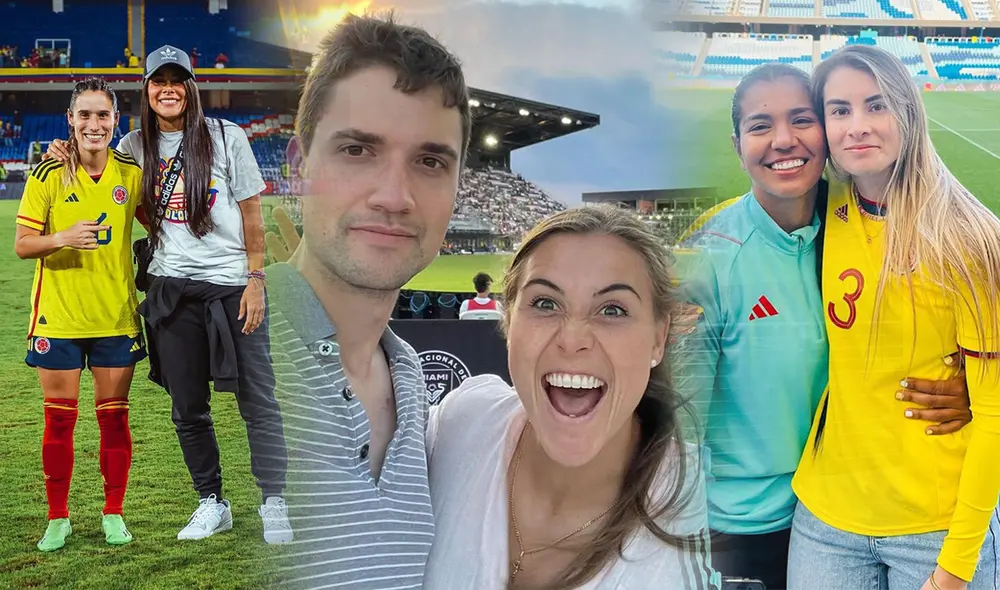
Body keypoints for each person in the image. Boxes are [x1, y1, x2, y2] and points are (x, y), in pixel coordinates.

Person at [679, 63, 974, 589]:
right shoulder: (711, 256)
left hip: (828, 513)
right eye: (760, 126)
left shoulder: (855, 217)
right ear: (736, 143)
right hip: (738, 530)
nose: (784, 140)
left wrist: (975, 382)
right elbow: (677, 421)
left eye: (802, 119)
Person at [45, 45, 291, 544]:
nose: (168, 89)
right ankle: (211, 502)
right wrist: (65, 149)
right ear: (148, 89)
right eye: (160, 81)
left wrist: (257, 279)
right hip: (171, 291)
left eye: (178, 80)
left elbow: (251, 215)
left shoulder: (226, 137)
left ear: (191, 87)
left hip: (231, 288)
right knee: (187, 406)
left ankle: (273, 502)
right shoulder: (134, 145)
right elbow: (102, 174)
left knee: (258, 402)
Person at [262, 13, 471, 589]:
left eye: (430, 161)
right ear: (299, 168)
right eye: (358, 150)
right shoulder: (232, 356)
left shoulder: (409, 382)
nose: (394, 196)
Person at [788, 45, 1000, 590]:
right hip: (825, 520)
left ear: (908, 111)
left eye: (876, 105)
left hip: (934, 531)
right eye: (839, 110)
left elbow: (995, 416)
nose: (857, 126)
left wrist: (955, 568)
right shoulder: (823, 205)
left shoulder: (968, 238)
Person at [424, 205, 714, 589]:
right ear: (509, 322)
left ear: (658, 339)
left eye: (613, 309)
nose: (573, 339)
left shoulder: (687, 503)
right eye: (545, 303)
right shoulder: (459, 424)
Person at [15, 77, 144, 551]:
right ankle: (57, 517)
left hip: (115, 316)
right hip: (59, 318)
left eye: (102, 115)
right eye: (84, 114)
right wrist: (61, 238)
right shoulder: (48, 173)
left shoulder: (131, 173)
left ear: (115, 121)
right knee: (59, 422)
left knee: (114, 420)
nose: (94, 124)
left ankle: (113, 513)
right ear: (70, 120)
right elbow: (23, 245)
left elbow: (162, 221)